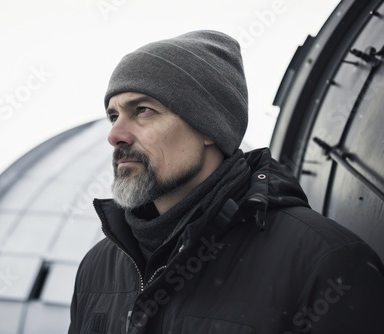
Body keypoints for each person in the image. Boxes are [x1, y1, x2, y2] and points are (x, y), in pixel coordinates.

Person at [68, 30, 384, 333]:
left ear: (210, 128)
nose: (115, 135)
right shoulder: (99, 267)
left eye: (143, 110)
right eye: (114, 116)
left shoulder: (325, 262)